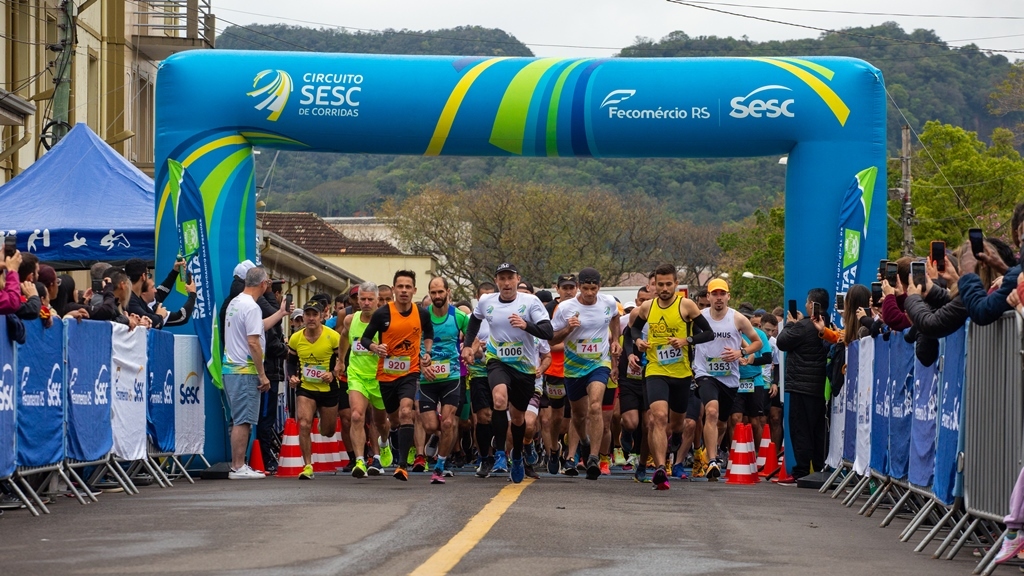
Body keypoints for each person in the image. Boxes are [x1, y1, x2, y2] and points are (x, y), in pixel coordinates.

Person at [462, 263, 553, 484]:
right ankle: (501, 451)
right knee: (499, 399)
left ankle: (518, 455)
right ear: (496, 281)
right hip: (497, 360)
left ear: (517, 279)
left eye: (510, 278)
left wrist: (526, 325)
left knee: (519, 418)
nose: (506, 283)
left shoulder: (530, 302)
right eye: (501, 278)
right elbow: (474, 320)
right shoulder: (487, 301)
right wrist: (467, 345)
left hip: (524, 367)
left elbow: (548, 331)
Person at [629, 264, 714, 490]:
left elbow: (709, 333)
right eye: (660, 284)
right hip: (655, 370)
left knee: (676, 425)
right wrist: (638, 341)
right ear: (653, 285)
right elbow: (634, 330)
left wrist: (686, 341)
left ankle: (675, 437)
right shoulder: (647, 307)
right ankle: (659, 468)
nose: (664, 288)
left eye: (669, 284)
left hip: (681, 373)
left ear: (676, 284)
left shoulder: (686, 305)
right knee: (657, 417)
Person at [360, 270, 434, 481]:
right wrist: (375, 347)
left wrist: (427, 352)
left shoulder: (421, 314)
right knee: (394, 420)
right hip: (386, 374)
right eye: (400, 287)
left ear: (414, 290)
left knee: (406, 412)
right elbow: (365, 339)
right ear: (394, 290)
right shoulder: (382, 314)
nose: (404, 291)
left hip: (410, 372)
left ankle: (402, 466)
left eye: (408, 287)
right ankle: (389, 441)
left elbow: (429, 333)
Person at [549, 267, 621, 480]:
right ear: (579, 287)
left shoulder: (608, 302)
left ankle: (593, 458)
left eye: (594, 288)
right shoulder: (565, 308)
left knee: (595, 406)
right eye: (586, 288)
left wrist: (616, 340)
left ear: (599, 287)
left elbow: (615, 317)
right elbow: (551, 339)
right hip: (573, 367)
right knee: (578, 415)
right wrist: (568, 329)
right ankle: (583, 442)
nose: (590, 293)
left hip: (599, 363)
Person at [222, 266, 289, 479]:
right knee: (243, 420)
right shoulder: (251, 306)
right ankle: (238, 466)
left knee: (239, 418)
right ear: (263, 284)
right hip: (245, 370)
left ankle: (238, 464)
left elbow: (258, 327)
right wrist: (262, 374)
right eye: (267, 282)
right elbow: (253, 342)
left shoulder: (236, 302)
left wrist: (280, 313)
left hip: (232, 368)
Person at [775, 287, 838, 483]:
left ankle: (801, 471)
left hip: (801, 386)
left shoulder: (803, 326)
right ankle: (820, 469)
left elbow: (782, 342)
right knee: (820, 431)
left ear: (811, 305)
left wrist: (790, 324)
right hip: (821, 388)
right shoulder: (831, 326)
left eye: (807, 302)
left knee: (800, 430)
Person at [419, 276, 469, 484]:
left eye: (441, 292)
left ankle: (440, 465)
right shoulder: (422, 316)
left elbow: (473, 338)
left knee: (448, 422)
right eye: (433, 293)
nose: (437, 296)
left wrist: (469, 350)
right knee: (431, 426)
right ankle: (440, 437)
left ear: (448, 292)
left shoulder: (459, 316)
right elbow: (412, 343)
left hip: (452, 376)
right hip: (427, 378)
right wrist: (422, 364)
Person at [287, 300, 344, 480]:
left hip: (328, 388)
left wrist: (333, 374)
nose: (311, 318)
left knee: (328, 431)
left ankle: (322, 424)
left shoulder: (333, 337)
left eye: (314, 315)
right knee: (304, 423)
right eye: (307, 315)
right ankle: (308, 466)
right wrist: (292, 376)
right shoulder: (296, 338)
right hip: (306, 388)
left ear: (322, 317)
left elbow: (343, 362)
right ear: (303, 316)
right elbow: (290, 362)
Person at [340, 282, 390, 477]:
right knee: (356, 415)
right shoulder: (350, 320)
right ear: (358, 301)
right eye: (363, 299)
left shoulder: (386, 321)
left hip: (380, 376)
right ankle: (360, 461)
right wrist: (340, 361)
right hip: (357, 374)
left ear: (377, 300)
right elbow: (344, 337)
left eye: (370, 299)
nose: (367, 303)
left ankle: (384, 443)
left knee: (381, 422)